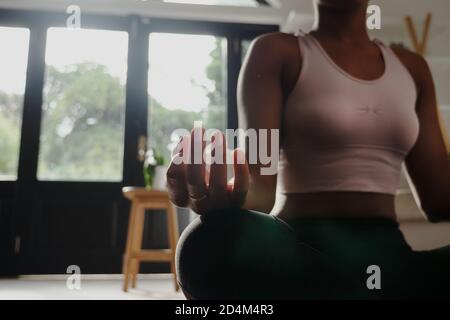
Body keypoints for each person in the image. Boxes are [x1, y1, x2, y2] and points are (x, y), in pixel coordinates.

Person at [166, 0, 450, 299]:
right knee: (205, 242)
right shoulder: (275, 52)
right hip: (301, 258)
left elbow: (440, 201)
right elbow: (260, 188)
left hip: (393, 263)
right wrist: (221, 194)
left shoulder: (412, 67)